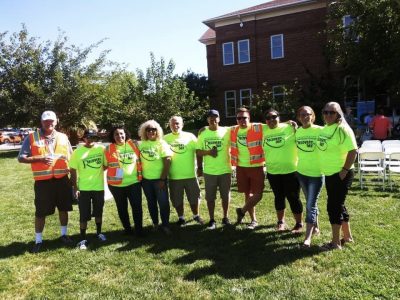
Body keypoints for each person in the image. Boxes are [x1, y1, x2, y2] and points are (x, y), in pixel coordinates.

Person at [18, 110, 73, 253]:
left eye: (51, 121)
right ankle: (38, 240)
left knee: (64, 209)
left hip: (62, 180)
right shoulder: (31, 137)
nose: (49, 123)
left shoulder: (63, 137)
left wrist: (73, 181)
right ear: (41, 122)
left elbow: (72, 157)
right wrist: (40, 159)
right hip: (43, 183)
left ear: (56, 121)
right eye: (46, 121)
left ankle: (64, 235)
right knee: (40, 212)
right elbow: (21, 158)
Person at [317, 102, 357, 250]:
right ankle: (347, 236)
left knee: (333, 206)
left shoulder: (343, 129)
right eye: (325, 112)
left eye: (331, 112)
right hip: (329, 173)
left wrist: (344, 170)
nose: (328, 115)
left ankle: (335, 243)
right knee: (339, 204)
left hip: (340, 174)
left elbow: (353, 151)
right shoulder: (326, 128)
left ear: (338, 114)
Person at [262, 109, 303, 233]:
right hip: (273, 171)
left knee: (293, 198)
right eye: (268, 118)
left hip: (291, 170)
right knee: (278, 197)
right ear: (265, 121)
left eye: (274, 117)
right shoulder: (263, 130)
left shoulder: (290, 128)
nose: (271, 120)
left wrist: (290, 123)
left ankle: (299, 224)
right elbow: (243, 125)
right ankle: (281, 222)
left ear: (279, 117)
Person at [70, 130, 107, 250]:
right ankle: (82, 239)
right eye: (88, 137)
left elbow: (106, 165)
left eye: (93, 137)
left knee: (98, 211)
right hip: (84, 188)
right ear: (84, 138)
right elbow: (73, 169)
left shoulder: (101, 149)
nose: (90, 139)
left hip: (98, 187)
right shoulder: (77, 152)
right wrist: (75, 187)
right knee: (83, 214)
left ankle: (99, 233)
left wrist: (98, 172)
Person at [164, 116, 204, 226]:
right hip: (174, 176)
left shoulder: (190, 136)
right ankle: (181, 218)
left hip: (190, 174)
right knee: (177, 199)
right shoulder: (165, 138)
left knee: (194, 197)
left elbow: (198, 151)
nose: (175, 126)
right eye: (172, 124)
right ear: (169, 125)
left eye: (177, 123)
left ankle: (196, 215)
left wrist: (200, 167)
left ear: (182, 124)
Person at [104, 126, 143, 237]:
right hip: (116, 185)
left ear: (125, 134)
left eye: (121, 133)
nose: (119, 136)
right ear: (113, 136)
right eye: (116, 134)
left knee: (137, 207)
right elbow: (104, 165)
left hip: (134, 183)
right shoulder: (108, 149)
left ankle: (139, 230)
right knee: (122, 208)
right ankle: (127, 229)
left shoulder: (134, 145)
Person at [196, 109, 232, 229]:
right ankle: (211, 219)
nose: (213, 119)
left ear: (219, 119)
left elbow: (243, 125)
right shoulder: (203, 133)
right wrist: (209, 152)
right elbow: (198, 151)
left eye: (215, 117)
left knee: (225, 196)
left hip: (225, 170)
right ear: (207, 120)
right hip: (209, 171)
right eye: (210, 117)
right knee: (210, 197)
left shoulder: (227, 131)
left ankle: (225, 217)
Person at [295, 106, 323, 247]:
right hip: (301, 173)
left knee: (310, 204)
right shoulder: (297, 132)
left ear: (313, 116)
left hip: (316, 174)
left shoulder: (320, 130)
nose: (305, 117)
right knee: (310, 201)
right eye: (302, 115)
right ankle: (316, 227)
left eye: (308, 114)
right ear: (299, 117)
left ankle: (308, 238)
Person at [138, 120, 172, 235]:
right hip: (146, 181)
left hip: (159, 180)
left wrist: (162, 179)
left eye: (154, 129)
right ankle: (155, 224)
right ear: (144, 132)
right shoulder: (141, 144)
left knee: (163, 203)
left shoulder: (161, 143)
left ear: (157, 131)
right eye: (148, 130)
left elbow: (168, 161)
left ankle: (166, 225)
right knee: (151, 203)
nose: (151, 131)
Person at [233, 107, 265, 230]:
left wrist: (289, 123)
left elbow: (273, 124)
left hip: (256, 166)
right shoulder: (233, 130)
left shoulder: (258, 127)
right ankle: (253, 220)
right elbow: (219, 129)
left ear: (249, 118)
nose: (242, 120)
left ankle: (241, 211)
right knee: (248, 194)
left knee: (258, 194)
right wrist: (205, 127)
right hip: (241, 167)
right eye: (239, 118)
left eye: (244, 118)